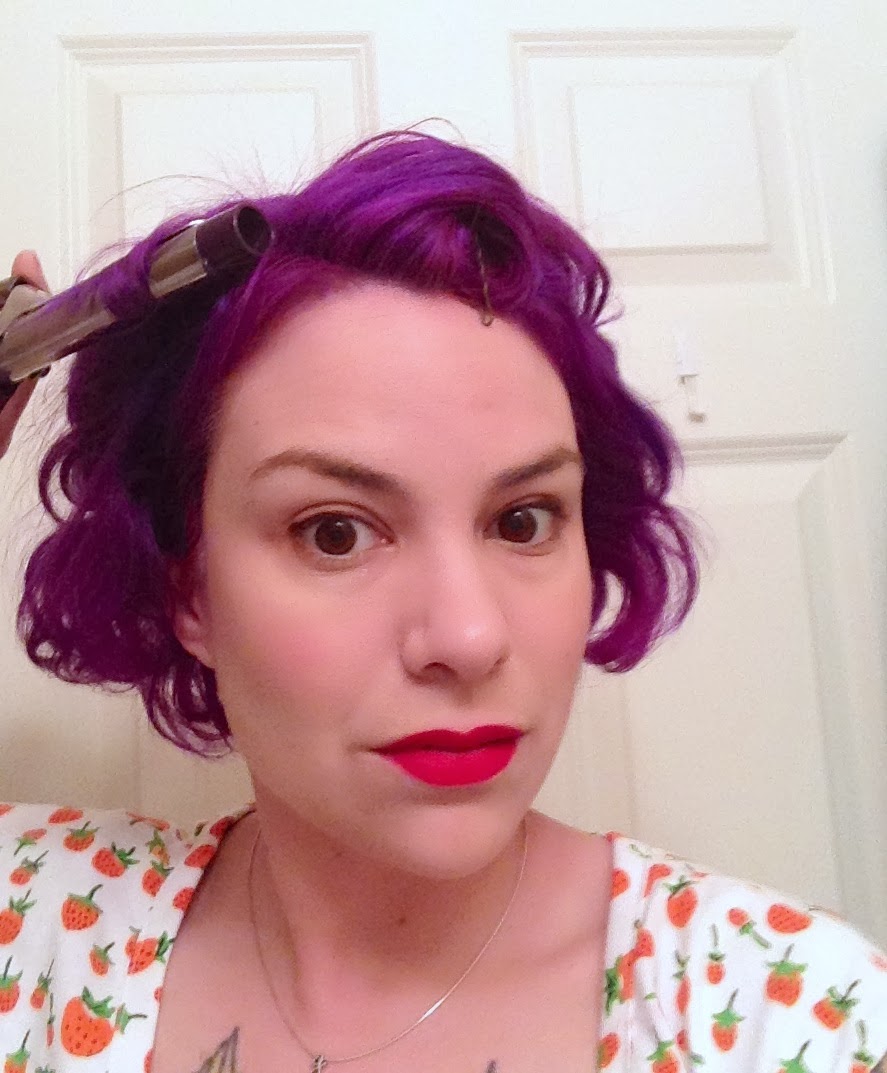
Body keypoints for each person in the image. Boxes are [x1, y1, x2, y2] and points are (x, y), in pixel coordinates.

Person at [0, 131, 884, 1073]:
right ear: (188, 592)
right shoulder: (36, 919)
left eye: (522, 519)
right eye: (334, 532)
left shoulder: (796, 1014)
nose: (468, 636)